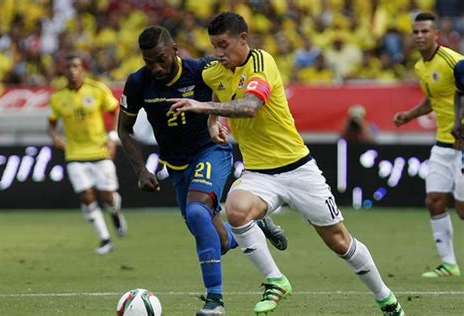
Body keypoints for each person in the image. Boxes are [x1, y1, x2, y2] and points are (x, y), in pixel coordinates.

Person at [170, 11, 404, 316]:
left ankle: (386, 298)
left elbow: (252, 107)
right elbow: (217, 86)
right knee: (236, 210)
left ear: (244, 39)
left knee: (339, 242)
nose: (218, 53)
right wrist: (214, 120)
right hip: (258, 173)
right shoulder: (216, 71)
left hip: (298, 169)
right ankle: (275, 280)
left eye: (224, 45)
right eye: (214, 46)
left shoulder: (262, 62)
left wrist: (204, 108)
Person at [117, 26, 287, 316]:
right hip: (176, 165)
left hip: (211, 151)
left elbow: (232, 83)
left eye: (161, 59)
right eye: (149, 62)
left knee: (197, 212)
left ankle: (214, 302)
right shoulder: (138, 83)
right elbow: (124, 129)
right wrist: (141, 171)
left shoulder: (203, 69)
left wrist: (214, 118)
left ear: (175, 50)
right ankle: (255, 225)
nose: (156, 68)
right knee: (217, 241)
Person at [393, 12, 463, 278]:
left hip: (462, 145)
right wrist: (408, 115)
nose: (420, 36)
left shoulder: (455, 62)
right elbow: (433, 100)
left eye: (425, 31)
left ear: (437, 35)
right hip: (443, 144)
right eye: (416, 32)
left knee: (462, 209)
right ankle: (448, 264)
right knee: (434, 200)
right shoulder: (422, 66)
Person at [47, 53, 127, 255]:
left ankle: (115, 213)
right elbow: (51, 123)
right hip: (74, 153)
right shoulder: (58, 97)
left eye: (76, 66)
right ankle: (105, 239)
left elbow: (116, 110)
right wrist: (55, 136)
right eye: (68, 67)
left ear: (82, 69)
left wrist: (112, 137)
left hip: (99, 149)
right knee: (86, 196)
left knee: (107, 196)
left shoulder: (97, 89)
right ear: (63, 71)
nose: (72, 70)